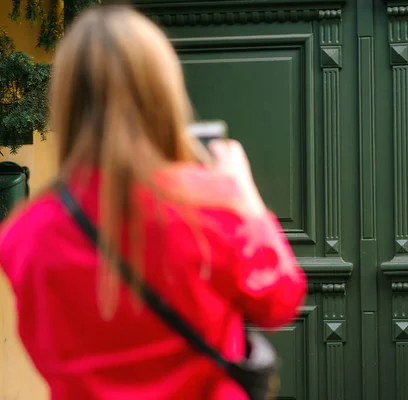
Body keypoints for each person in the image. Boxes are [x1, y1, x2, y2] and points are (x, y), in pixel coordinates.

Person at [0, 5, 306, 400]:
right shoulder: (209, 204)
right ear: (162, 91)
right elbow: (279, 302)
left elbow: (44, 352)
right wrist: (246, 199)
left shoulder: (24, 235)